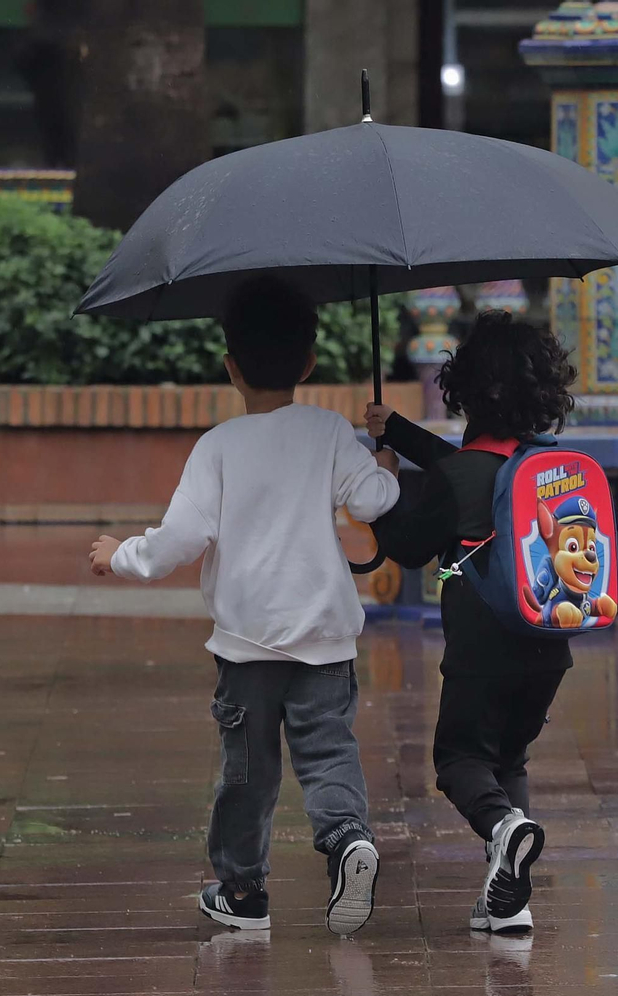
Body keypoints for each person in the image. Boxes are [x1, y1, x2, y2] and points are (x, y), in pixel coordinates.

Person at [88, 275, 401, 936]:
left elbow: (178, 542)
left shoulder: (218, 448)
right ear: (309, 363)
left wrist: (121, 554)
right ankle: (347, 838)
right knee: (329, 751)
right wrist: (386, 466)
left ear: (230, 367)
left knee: (247, 774)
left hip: (248, 646)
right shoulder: (328, 431)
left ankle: (243, 890)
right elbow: (372, 503)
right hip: (324, 638)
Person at [365, 309, 575, 935]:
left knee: (459, 760)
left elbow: (407, 546)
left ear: (466, 389)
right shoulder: (545, 466)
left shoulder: (458, 476)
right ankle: (510, 901)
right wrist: (397, 431)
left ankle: (504, 826)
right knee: (508, 759)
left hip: (480, 647)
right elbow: (470, 467)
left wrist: (382, 486)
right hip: (548, 644)